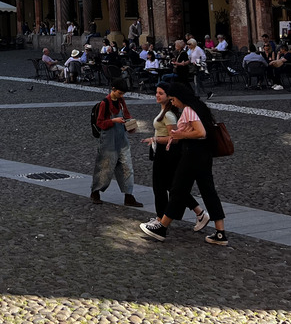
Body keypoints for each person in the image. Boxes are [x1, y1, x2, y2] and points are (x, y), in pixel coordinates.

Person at [139, 81, 228, 245]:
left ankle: (162, 227)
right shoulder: (200, 107)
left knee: (178, 189)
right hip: (204, 155)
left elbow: (200, 132)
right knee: (208, 191)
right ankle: (220, 232)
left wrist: (181, 136)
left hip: (192, 154)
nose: (173, 103)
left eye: (173, 99)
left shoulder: (188, 110)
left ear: (179, 97)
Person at [141, 80, 208, 230]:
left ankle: (161, 218)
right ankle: (199, 212)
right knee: (171, 185)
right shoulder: (165, 111)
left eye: (161, 93)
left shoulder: (170, 115)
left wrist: (156, 139)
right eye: (156, 92)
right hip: (163, 150)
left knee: (162, 186)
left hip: (167, 152)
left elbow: (175, 138)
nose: (157, 96)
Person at [89, 80, 143, 208]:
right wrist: (113, 120)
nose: (122, 95)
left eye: (123, 93)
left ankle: (129, 196)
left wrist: (131, 126)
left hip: (121, 138)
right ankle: (95, 192)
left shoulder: (121, 101)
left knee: (127, 167)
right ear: (113, 89)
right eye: (120, 93)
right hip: (108, 140)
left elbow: (127, 115)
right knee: (105, 167)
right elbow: (100, 123)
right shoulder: (104, 103)